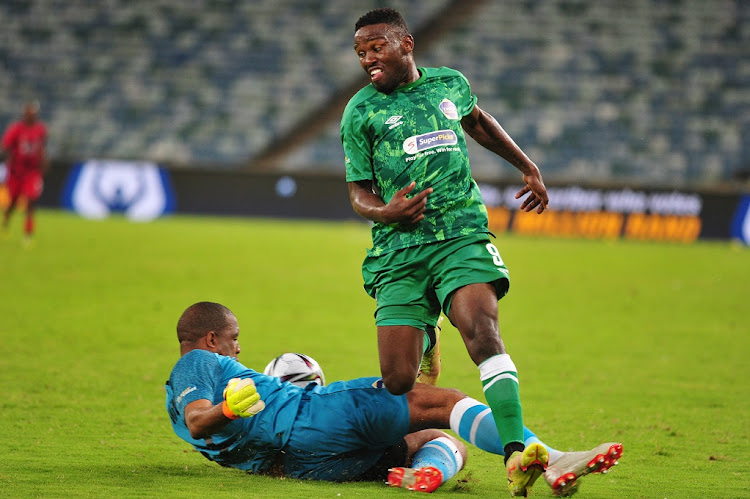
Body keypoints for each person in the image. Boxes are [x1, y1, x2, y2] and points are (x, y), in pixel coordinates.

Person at [340, 8, 551, 495]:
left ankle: (516, 451)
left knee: (481, 330)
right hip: (399, 249)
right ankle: (428, 330)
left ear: (406, 44)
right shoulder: (361, 111)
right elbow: (357, 191)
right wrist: (383, 212)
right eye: (360, 53)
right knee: (397, 380)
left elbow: (479, 123)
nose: (368, 59)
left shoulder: (449, 84)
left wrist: (528, 166)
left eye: (377, 48)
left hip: (460, 233)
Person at [165, 302, 623, 496]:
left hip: (307, 465)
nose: (238, 349)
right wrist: (228, 407)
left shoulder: (175, 402)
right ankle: (552, 458)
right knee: (442, 403)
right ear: (210, 339)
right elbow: (201, 418)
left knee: (429, 429)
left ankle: (430, 471)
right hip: (312, 417)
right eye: (233, 339)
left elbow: (202, 429)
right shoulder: (195, 365)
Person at [1, 101, 48, 244]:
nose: (31, 116)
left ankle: (28, 234)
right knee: (13, 202)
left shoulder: (41, 130)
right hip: (16, 172)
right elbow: (5, 147)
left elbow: (42, 148)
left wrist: (44, 162)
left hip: (32, 172)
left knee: (31, 201)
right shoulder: (15, 129)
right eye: (29, 114)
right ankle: (5, 222)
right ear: (24, 114)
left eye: (33, 114)